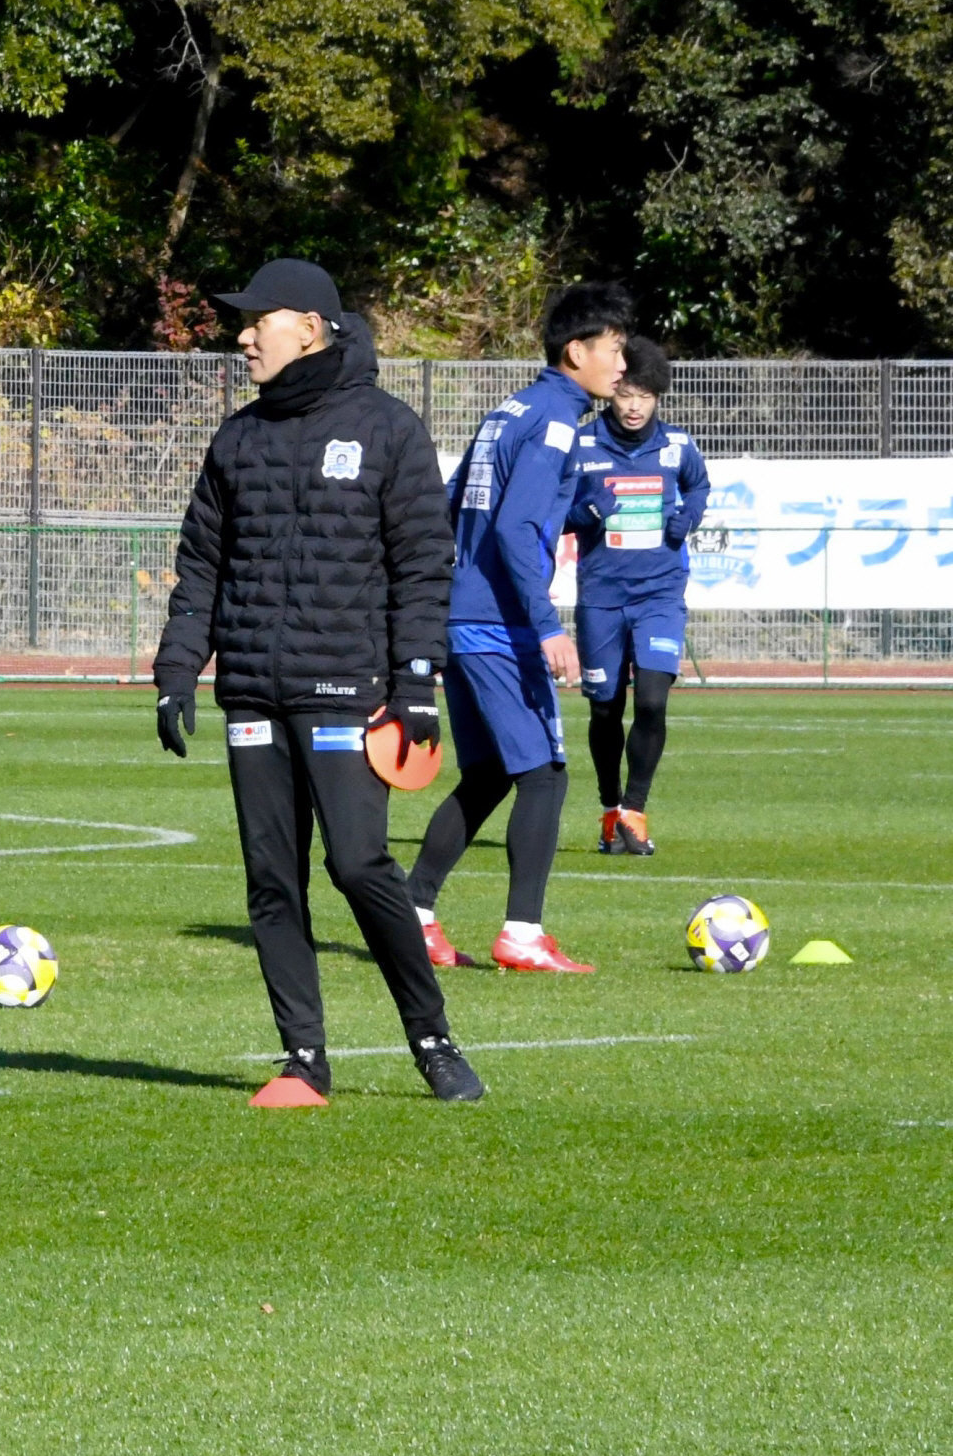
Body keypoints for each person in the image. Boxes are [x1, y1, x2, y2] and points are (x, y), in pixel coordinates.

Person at [153, 260, 482, 1106]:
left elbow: (422, 564)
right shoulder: (238, 437)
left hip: (346, 689)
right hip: (255, 692)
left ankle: (432, 1036)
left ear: (307, 324)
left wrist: (416, 684)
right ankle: (303, 1058)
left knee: (359, 862)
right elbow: (201, 566)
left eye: (257, 319)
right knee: (271, 877)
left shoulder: (387, 428)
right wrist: (177, 668)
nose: (243, 334)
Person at [406, 281, 636, 973]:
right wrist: (546, 625)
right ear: (577, 350)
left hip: (465, 616)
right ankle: (523, 933)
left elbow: (457, 507)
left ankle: (414, 914)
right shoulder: (560, 420)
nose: (622, 366)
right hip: (501, 625)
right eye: (615, 350)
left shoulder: (509, 411)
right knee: (545, 776)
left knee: (487, 776)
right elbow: (512, 525)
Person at [570, 336, 709, 855]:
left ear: (658, 397)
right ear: (612, 392)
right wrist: (585, 515)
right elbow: (556, 510)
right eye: (625, 393)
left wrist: (688, 518)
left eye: (644, 395)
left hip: (659, 593)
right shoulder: (582, 446)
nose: (633, 406)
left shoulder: (677, 445)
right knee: (605, 709)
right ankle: (610, 811)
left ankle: (635, 809)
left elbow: (698, 488)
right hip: (602, 597)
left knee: (652, 701)